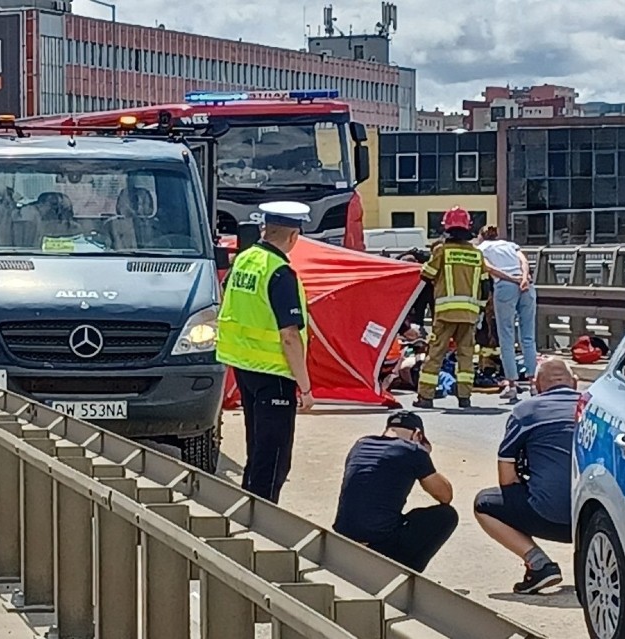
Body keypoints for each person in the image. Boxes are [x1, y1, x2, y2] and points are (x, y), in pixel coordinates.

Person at [215, 201, 314, 503]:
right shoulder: (280, 272)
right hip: (275, 374)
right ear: (294, 236)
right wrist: (306, 388)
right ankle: (262, 519)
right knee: (274, 458)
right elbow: (289, 337)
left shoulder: (244, 260)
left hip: (245, 367)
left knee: (257, 446)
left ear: (265, 229)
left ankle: (250, 506)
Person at [473, 357, 578, 594]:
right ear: (575, 382)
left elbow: (507, 479)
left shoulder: (525, 410)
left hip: (551, 517)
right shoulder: (597, 408)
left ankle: (539, 564)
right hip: (601, 518)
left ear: (536, 385)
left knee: (484, 503)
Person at [332, 411, 458, 573]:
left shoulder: (360, 445)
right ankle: (406, 573)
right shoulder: (413, 451)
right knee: (446, 515)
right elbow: (445, 496)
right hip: (379, 541)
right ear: (418, 434)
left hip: (343, 535)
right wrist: (424, 457)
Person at [414, 207, 491, 409]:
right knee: (466, 355)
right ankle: (464, 397)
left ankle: (425, 397)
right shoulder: (477, 255)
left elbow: (426, 274)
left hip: (445, 313)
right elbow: (485, 287)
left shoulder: (442, 251)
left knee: (436, 354)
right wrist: (480, 310)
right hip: (469, 314)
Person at [476, 226, 537, 400]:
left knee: (506, 336)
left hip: (505, 287)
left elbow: (490, 269)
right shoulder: (511, 245)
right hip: (527, 287)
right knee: (528, 336)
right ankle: (533, 383)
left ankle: (512, 384)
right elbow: (524, 262)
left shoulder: (481, 249)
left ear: (481, 237)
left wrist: (511, 279)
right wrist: (524, 278)